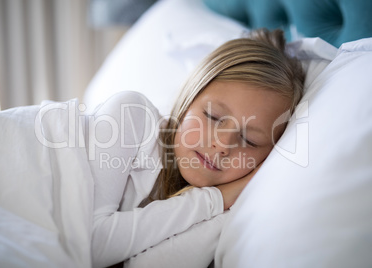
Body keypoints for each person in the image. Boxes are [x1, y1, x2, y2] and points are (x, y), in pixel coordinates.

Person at [90, 28, 304, 267]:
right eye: (213, 116)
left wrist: (229, 201)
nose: (222, 145)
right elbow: (89, 246)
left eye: (249, 140)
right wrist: (216, 198)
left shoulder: (224, 213)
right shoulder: (131, 116)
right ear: (189, 97)